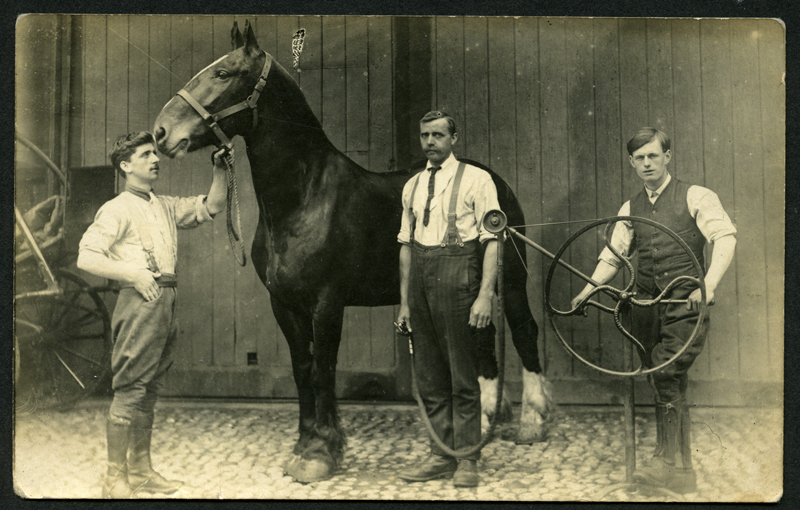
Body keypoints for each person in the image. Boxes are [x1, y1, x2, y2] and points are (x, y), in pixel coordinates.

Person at [571, 127, 737, 494]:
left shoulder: (696, 196)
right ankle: (681, 472)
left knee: (666, 373)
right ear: (631, 163)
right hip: (645, 307)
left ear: (667, 156)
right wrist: (586, 290)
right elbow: (612, 256)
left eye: (653, 155)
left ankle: (665, 461)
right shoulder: (630, 208)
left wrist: (707, 285)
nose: (647, 163)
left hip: (685, 305)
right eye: (639, 158)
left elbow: (725, 237)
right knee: (665, 379)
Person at [77, 132, 229, 498]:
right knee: (130, 390)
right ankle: (114, 477)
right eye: (146, 155)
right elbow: (86, 256)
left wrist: (220, 170)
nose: (155, 159)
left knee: (150, 391)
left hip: (167, 298)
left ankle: (141, 471)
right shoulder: (116, 209)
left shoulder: (162, 205)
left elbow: (212, 205)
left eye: (155, 154)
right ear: (126, 166)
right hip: (139, 299)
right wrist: (133, 274)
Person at [395, 111, 501, 488]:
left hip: (460, 282)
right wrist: (406, 302)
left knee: (461, 376)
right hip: (421, 283)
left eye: (438, 134)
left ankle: (467, 458)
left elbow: (493, 241)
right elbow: (405, 246)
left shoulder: (478, 180)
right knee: (429, 376)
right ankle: (441, 454)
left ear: (454, 138)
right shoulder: (412, 186)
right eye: (424, 135)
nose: (430, 142)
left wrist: (484, 296)